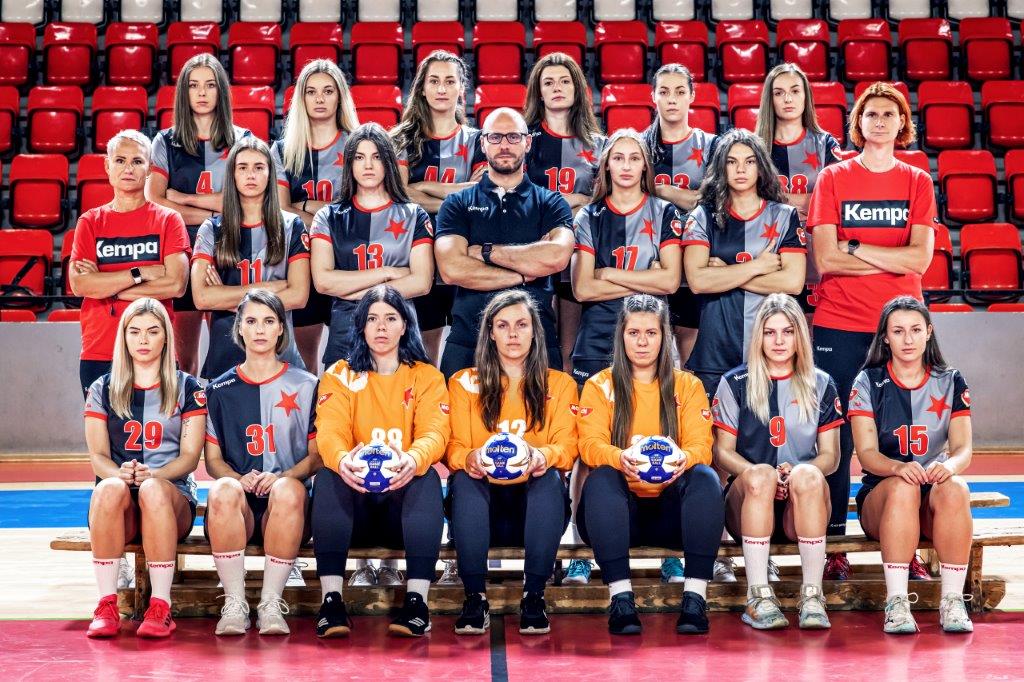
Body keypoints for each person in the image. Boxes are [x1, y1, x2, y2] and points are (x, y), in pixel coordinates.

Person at [807, 82, 937, 580]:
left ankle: (907, 546)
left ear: (902, 124)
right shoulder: (833, 178)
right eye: (870, 114)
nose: (879, 121)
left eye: (888, 114)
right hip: (839, 322)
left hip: (900, 327)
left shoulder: (917, 180)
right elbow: (826, 258)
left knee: (904, 434)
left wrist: (857, 246)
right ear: (857, 123)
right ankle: (835, 543)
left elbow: (920, 260)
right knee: (836, 435)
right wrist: (890, 259)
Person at [576, 294, 722, 635]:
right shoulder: (599, 385)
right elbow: (589, 445)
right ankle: (621, 600)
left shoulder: (688, 385)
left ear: (664, 337)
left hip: (671, 517)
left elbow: (702, 447)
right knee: (601, 477)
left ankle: (695, 599)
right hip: (617, 516)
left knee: (705, 477)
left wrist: (683, 458)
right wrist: (620, 457)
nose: (642, 342)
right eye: (634, 333)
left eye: (651, 333)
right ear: (621, 335)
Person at [312, 284, 449, 638]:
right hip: (355, 506)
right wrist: (342, 460)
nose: (381, 327)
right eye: (372, 319)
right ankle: (331, 602)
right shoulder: (339, 374)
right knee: (328, 475)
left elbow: (435, 433)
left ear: (405, 325)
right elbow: (329, 431)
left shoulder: (426, 376)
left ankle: (417, 603)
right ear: (361, 326)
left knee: (426, 476)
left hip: (400, 511)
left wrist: (414, 458)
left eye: (390, 318)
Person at [446, 290, 578, 636]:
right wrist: (470, 458)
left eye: (521, 324)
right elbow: (454, 447)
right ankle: (474, 598)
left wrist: (542, 456)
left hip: (534, 511)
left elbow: (567, 447)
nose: (513, 334)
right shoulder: (463, 383)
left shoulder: (560, 384)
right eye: (503, 326)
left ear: (535, 331)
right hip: (482, 510)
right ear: (490, 333)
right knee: (464, 478)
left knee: (549, 478)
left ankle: (534, 596)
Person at [712, 293, 841, 630]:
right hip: (749, 499)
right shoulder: (735, 382)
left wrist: (798, 471)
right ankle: (757, 596)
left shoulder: (822, 383)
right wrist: (762, 474)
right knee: (760, 478)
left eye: (787, 331)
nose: (779, 341)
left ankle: (812, 596)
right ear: (759, 336)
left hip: (802, 504)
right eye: (770, 332)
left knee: (809, 476)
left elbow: (831, 456)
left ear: (800, 335)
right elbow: (722, 451)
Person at [850, 296, 974, 634]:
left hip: (931, 500)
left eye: (916, 330)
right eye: (898, 331)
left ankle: (952, 600)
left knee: (956, 488)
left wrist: (950, 467)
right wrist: (896, 468)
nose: (908, 339)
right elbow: (866, 454)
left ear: (929, 332)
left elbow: (963, 449)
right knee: (904, 487)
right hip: (882, 498)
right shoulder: (867, 382)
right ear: (885, 337)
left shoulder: (950, 380)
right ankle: (897, 602)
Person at [83, 298, 205, 638]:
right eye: (134, 332)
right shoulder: (102, 388)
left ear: (166, 336)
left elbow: (190, 458)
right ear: (123, 337)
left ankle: (161, 606)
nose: (143, 340)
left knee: (151, 490)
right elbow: (98, 457)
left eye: (152, 331)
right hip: (120, 505)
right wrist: (118, 474)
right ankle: (107, 604)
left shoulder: (188, 387)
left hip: (171, 498)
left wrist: (155, 475)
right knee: (107, 487)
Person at [203, 290, 321, 636]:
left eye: (269, 321)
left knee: (288, 490)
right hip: (237, 510)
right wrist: (238, 478)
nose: (259, 330)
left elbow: (316, 456)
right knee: (222, 489)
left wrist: (283, 476)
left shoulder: (307, 384)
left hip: (288, 508)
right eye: (251, 321)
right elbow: (213, 461)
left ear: (281, 329)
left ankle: (271, 602)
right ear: (239, 328)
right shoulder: (218, 389)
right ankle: (234, 603)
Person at [434, 107, 574, 379]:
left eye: (513, 137)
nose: (505, 145)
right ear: (483, 143)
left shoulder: (551, 202)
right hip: (469, 340)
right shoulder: (457, 204)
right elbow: (452, 269)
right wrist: (523, 274)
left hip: (536, 339)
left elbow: (556, 256)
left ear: (527, 142)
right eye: (495, 137)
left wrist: (485, 252)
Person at [146, 53, 252, 376]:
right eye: (193, 85)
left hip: (230, 251)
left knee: (231, 357)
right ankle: (188, 410)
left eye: (209, 85)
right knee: (184, 362)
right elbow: (155, 201)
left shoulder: (243, 140)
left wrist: (183, 198)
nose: (202, 93)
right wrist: (216, 207)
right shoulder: (166, 141)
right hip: (180, 252)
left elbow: (244, 202)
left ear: (221, 91)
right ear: (184, 92)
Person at [682, 128, 806, 398]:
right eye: (732, 161)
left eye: (749, 161)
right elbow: (698, 281)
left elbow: (793, 283)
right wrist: (757, 266)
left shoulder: (784, 216)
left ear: (760, 168)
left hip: (770, 351)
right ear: (721, 167)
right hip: (714, 349)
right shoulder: (703, 216)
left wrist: (725, 274)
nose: (741, 169)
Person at [69, 130, 190, 394]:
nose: (128, 168)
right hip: (101, 350)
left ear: (150, 169)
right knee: (102, 423)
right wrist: (140, 272)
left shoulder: (169, 219)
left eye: (137, 161)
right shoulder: (90, 222)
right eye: (120, 160)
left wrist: (108, 288)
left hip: (156, 350)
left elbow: (175, 285)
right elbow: (80, 285)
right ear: (107, 165)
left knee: (159, 423)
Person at [310, 123, 434, 371]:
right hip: (345, 332)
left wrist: (355, 291)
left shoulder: (414, 215)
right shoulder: (328, 216)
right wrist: (387, 272)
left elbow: (421, 282)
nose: (368, 165)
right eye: (359, 157)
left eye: (376, 157)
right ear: (349, 163)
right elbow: (323, 281)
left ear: (388, 162)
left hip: (401, 331)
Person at [391, 50, 488, 364]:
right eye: (434, 81)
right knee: (423, 353)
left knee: (469, 353)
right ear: (421, 88)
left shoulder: (479, 140)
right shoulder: (401, 139)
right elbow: (399, 195)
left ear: (462, 88)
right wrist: (460, 192)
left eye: (450, 81)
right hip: (416, 253)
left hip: (465, 252)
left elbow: (482, 196)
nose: (442, 88)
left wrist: (422, 187)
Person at [190, 136, 311, 381]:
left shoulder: (292, 226)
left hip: (281, 355)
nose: (251, 175)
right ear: (232, 174)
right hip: (226, 356)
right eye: (242, 167)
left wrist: (225, 296)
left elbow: (299, 296)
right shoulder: (211, 228)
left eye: (258, 167)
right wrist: (269, 288)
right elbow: (201, 298)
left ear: (270, 173)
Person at [569, 128, 683, 386]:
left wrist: (607, 274)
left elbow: (670, 282)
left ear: (645, 165)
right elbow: (583, 289)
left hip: (649, 342)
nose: (627, 166)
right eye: (618, 158)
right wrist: (649, 280)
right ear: (607, 164)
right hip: (596, 340)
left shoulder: (664, 212)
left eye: (634, 158)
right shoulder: (588, 216)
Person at [273, 59, 360, 373]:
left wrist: (306, 204)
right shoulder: (282, 150)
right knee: (304, 366)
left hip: (349, 262)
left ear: (340, 97)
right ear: (301, 99)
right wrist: (330, 211)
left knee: (349, 365)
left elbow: (359, 211)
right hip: (301, 262)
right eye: (311, 92)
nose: (320, 99)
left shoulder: (358, 145)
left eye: (328, 91)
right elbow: (282, 211)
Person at [642, 63, 719, 365]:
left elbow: (713, 201)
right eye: (664, 92)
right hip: (648, 262)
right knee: (649, 356)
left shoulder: (712, 145)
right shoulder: (638, 146)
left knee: (690, 361)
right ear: (653, 96)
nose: (671, 99)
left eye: (679, 91)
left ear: (691, 96)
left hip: (696, 260)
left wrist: (660, 190)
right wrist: (688, 197)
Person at [754, 63, 842, 313]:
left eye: (795, 91)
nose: (788, 99)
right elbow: (745, 201)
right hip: (768, 250)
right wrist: (809, 200)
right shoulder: (755, 147)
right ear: (769, 99)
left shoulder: (825, 143)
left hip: (818, 248)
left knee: (814, 326)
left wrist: (776, 200)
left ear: (806, 96)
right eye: (779, 93)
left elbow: (837, 201)